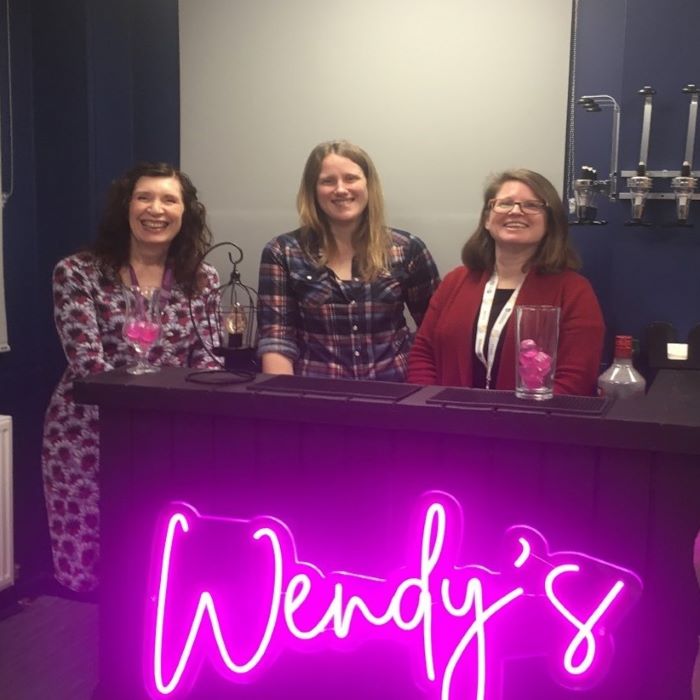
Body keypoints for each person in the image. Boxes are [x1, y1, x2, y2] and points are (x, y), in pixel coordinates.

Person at [42, 162, 220, 594]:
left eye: (169, 199)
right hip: (87, 437)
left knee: (161, 565)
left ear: (185, 212)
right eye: (144, 197)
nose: (155, 209)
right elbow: (89, 364)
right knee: (90, 568)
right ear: (126, 207)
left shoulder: (202, 279)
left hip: (171, 437)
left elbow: (208, 364)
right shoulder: (79, 272)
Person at [408, 169, 604, 395]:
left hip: (532, 425)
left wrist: (518, 423)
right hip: (449, 421)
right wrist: (434, 407)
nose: (516, 211)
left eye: (532, 205)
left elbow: (576, 378)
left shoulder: (573, 291)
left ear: (551, 223)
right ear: (487, 219)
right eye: (504, 203)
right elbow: (423, 353)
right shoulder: (455, 282)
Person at [257, 140, 439, 380]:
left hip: (396, 399)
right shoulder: (282, 252)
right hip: (315, 400)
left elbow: (435, 333)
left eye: (351, 178)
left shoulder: (407, 249)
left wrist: (420, 400)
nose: (341, 189)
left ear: (368, 185)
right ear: (313, 190)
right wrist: (287, 404)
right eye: (328, 181)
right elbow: (276, 340)